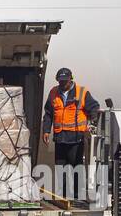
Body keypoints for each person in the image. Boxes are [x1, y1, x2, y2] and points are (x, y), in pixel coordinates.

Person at [42, 68, 101, 200]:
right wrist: (46, 130)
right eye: (60, 81)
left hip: (76, 138)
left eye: (65, 82)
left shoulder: (82, 92)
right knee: (60, 168)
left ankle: (76, 196)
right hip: (60, 138)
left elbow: (94, 107)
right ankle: (63, 196)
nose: (62, 84)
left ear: (71, 80)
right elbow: (48, 113)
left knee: (76, 168)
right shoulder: (53, 92)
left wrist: (93, 121)